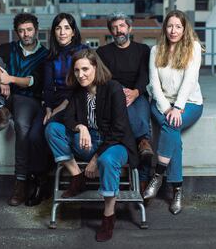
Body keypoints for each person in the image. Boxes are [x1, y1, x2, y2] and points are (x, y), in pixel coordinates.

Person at [45, 49, 138, 242]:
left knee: (107, 159)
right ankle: (77, 177)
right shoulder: (78, 91)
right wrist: (81, 127)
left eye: (85, 69)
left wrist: (95, 159)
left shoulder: (113, 88)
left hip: (115, 144)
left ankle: (108, 216)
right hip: (87, 142)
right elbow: (67, 117)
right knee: (52, 128)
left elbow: (119, 129)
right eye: (77, 70)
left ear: (95, 67)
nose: (81, 75)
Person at [0, 13, 50, 207]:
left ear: (36, 30)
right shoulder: (11, 48)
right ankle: (0, 108)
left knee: (21, 127)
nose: (25, 34)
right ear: (16, 32)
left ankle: (20, 182)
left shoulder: (45, 55)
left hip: (29, 100)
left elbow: (34, 82)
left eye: (29, 29)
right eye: (21, 30)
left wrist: (9, 79)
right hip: (8, 97)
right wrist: (0, 74)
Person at [143, 10, 204, 215]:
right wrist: (167, 107)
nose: (173, 30)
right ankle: (177, 190)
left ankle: (158, 175)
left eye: (178, 26)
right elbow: (154, 84)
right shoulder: (156, 50)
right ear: (164, 28)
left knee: (172, 125)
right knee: (173, 132)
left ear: (184, 28)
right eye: (170, 26)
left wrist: (178, 108)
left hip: (190, 104)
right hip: (161, 104)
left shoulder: (193, 48)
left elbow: (190, 81)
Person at [96, 12, 153, 193]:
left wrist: (135, 92)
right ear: (110, 31)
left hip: (138, 93)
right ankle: (142, 145)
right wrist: (120, 92)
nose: (118, 30)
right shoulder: (102, 52)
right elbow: (103, 78)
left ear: (129, 28)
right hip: (114, 96)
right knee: (126, 116)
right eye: (114, 27)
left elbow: (145, 76)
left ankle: (143, 145)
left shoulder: (143, 50)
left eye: (121, 26)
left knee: (142, 109)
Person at [43, 13, 88, 125]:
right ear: (54, 32)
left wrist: (61, 107)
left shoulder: (83, 51)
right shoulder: (50, 56)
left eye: (67, 28)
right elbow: (48, 87)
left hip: (78, 98)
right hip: (57, 99)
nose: (62, 33)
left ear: (73, 32)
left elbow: (84, 84)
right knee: (35, 134)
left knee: (53, 125)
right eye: (58, 28)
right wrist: (48, 109)